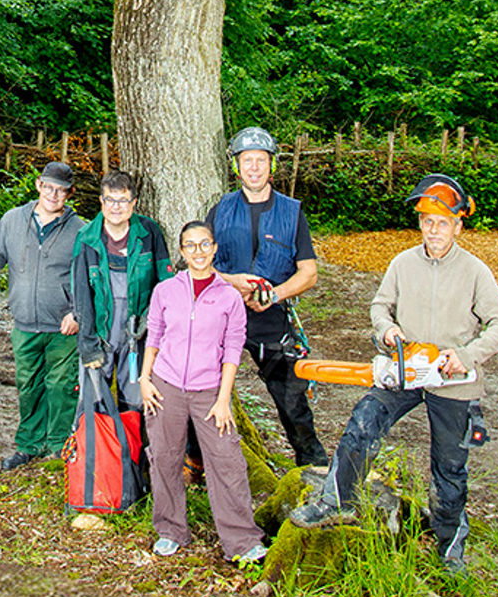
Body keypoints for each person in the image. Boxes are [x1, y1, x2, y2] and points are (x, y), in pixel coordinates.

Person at [290, 174, 498, 572]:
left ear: (458, 224)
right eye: (427, 221)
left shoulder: (475, 271)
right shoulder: (402, 263)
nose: (434, 229)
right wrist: (386, 329)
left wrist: (467, 354)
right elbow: (380, 306)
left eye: (442, 221)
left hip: (452, 377)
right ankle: (336, 501)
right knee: (364, 421)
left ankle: (450, 548)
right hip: (407, 368)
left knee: (449, 464)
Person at [139, 221, 265, 562]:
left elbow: (233, 350)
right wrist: (145, 378)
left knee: (227, 461)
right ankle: (170, 530)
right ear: (181, 252)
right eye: (190, 245)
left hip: (210, 391)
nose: (198, 251)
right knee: (164, 458)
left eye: (204, 244)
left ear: (214, 248)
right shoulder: (165, 291)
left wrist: (224, 399)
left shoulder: (229, 297)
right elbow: (154, 336)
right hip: (165, 387)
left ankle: (242, 541)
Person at [205, 127, 327, 468]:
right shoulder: (220, 210)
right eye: (247, 161)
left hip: (270, 317)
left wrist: (274, 294)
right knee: (203, 388)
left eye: (261, 160)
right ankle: (202, 462)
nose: (254, 168)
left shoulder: (291, 212)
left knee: (291, 397)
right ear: (236, 167)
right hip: (224, 314)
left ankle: (313, 467)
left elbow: (309, 272)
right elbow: (200, 265)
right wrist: (232, 281)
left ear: (271, 166)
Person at [0, 162, 86, 470]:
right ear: (38, 185)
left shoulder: (81, 230)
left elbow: (87, 277)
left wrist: (77, 312)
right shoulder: (12, 220)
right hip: (23, 322)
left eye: (61, 190)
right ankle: (29, 444)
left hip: (63, 325)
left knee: (62, 385)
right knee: (28, 383)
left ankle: (60, 444)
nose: (53, 194)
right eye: (48, 187)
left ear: (69, 193)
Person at [72, 171, 170, 407]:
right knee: (94, 399)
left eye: (123, 201)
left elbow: (166, 286)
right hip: (100, 333)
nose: (117, 207)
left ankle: (131, 444)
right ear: (101, 201)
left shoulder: (149, 233)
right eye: (110, 200)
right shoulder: (86, 239)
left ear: (134, 203)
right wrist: (87, 345)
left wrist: (153, 324)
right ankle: (96, 444)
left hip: (139, 334)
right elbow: (81, 295)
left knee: (136, 400)